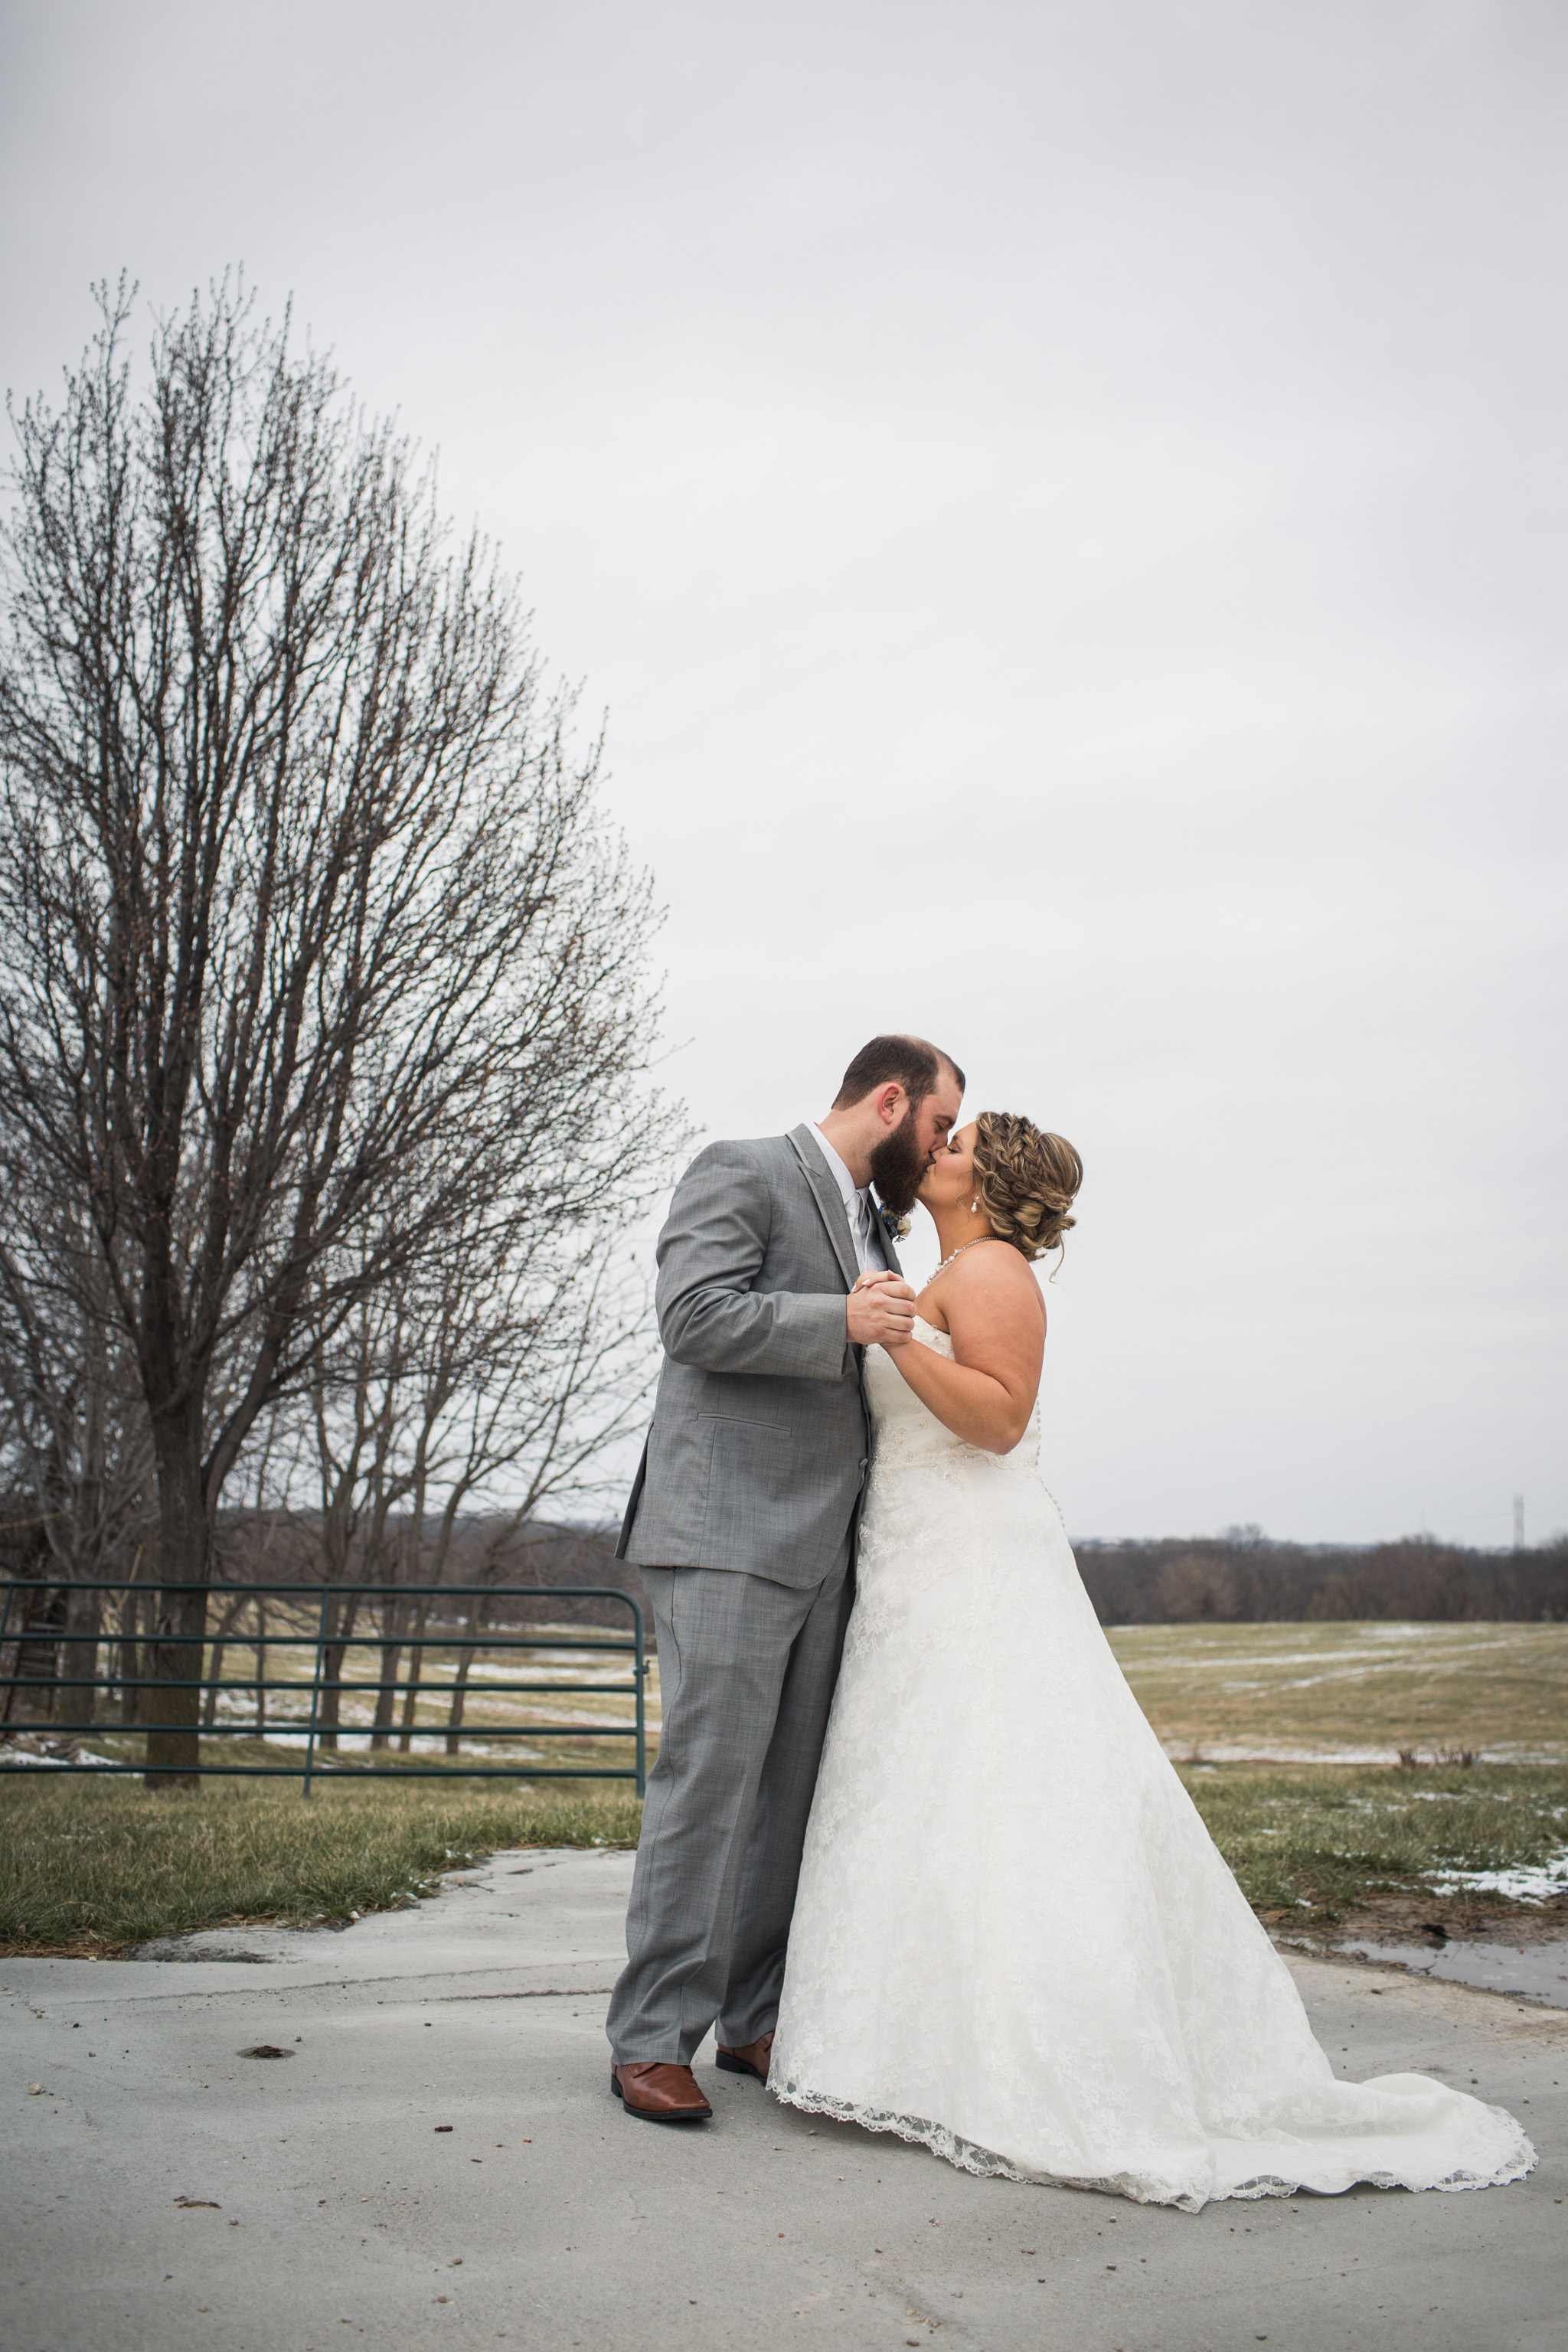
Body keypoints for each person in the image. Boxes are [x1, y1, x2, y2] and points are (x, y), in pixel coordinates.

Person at [768, 1113, 1534, 2209]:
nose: (939, 1142)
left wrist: (891, 1340)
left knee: (1001, 1788)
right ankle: (904, 2050)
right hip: (914, 1556)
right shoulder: (947, 1265)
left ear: (991, 1178)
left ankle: (1042, 2061)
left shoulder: (992, 1274)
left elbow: (996, 1419)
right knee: (926, 1793)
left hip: (976, 1558)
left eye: (962, 1137)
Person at [604, 1034, 966, 2122]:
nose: (944, 1147)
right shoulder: (743, 1168)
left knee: (790, 1801)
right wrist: (838, 1321)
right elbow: (692, 1316)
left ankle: (754, 2020)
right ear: (891, 1101)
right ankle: (651, 2036)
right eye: (941, 1126)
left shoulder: (872, 1220)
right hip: (725, 1535)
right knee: (708, 1789)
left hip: (828, 1551)